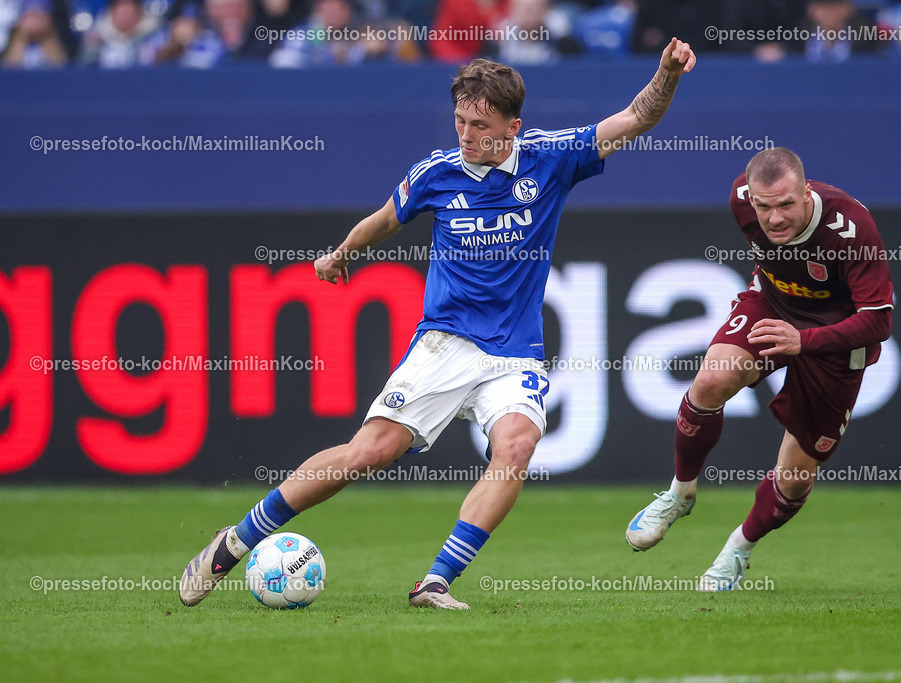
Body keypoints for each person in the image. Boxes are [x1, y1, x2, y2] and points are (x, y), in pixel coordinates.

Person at [180, 38, 697, 610]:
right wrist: (342, 255)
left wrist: (666, 72)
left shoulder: (554, 157)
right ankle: (233, 542)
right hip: (445, 344)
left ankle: (435, 581)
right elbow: (383, 221)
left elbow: (639, 117)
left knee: (517, 449)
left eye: (480, 124)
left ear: (513, 127)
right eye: (459, 120)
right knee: (365, 456)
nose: (467, 134)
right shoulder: (437, 174)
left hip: (514, 352)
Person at [625, 147, 894, 591]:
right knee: (711, 380)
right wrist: (786, 324)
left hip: (836, 342)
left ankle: (738, 547)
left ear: (806, 193)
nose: (774, 219)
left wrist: (803, 340)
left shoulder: (851, 226)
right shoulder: (740, 199)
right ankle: (679, 493)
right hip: (771, 307)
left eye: (786, 204)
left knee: (793, 478)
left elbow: (879, 319)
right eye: (764, 207)